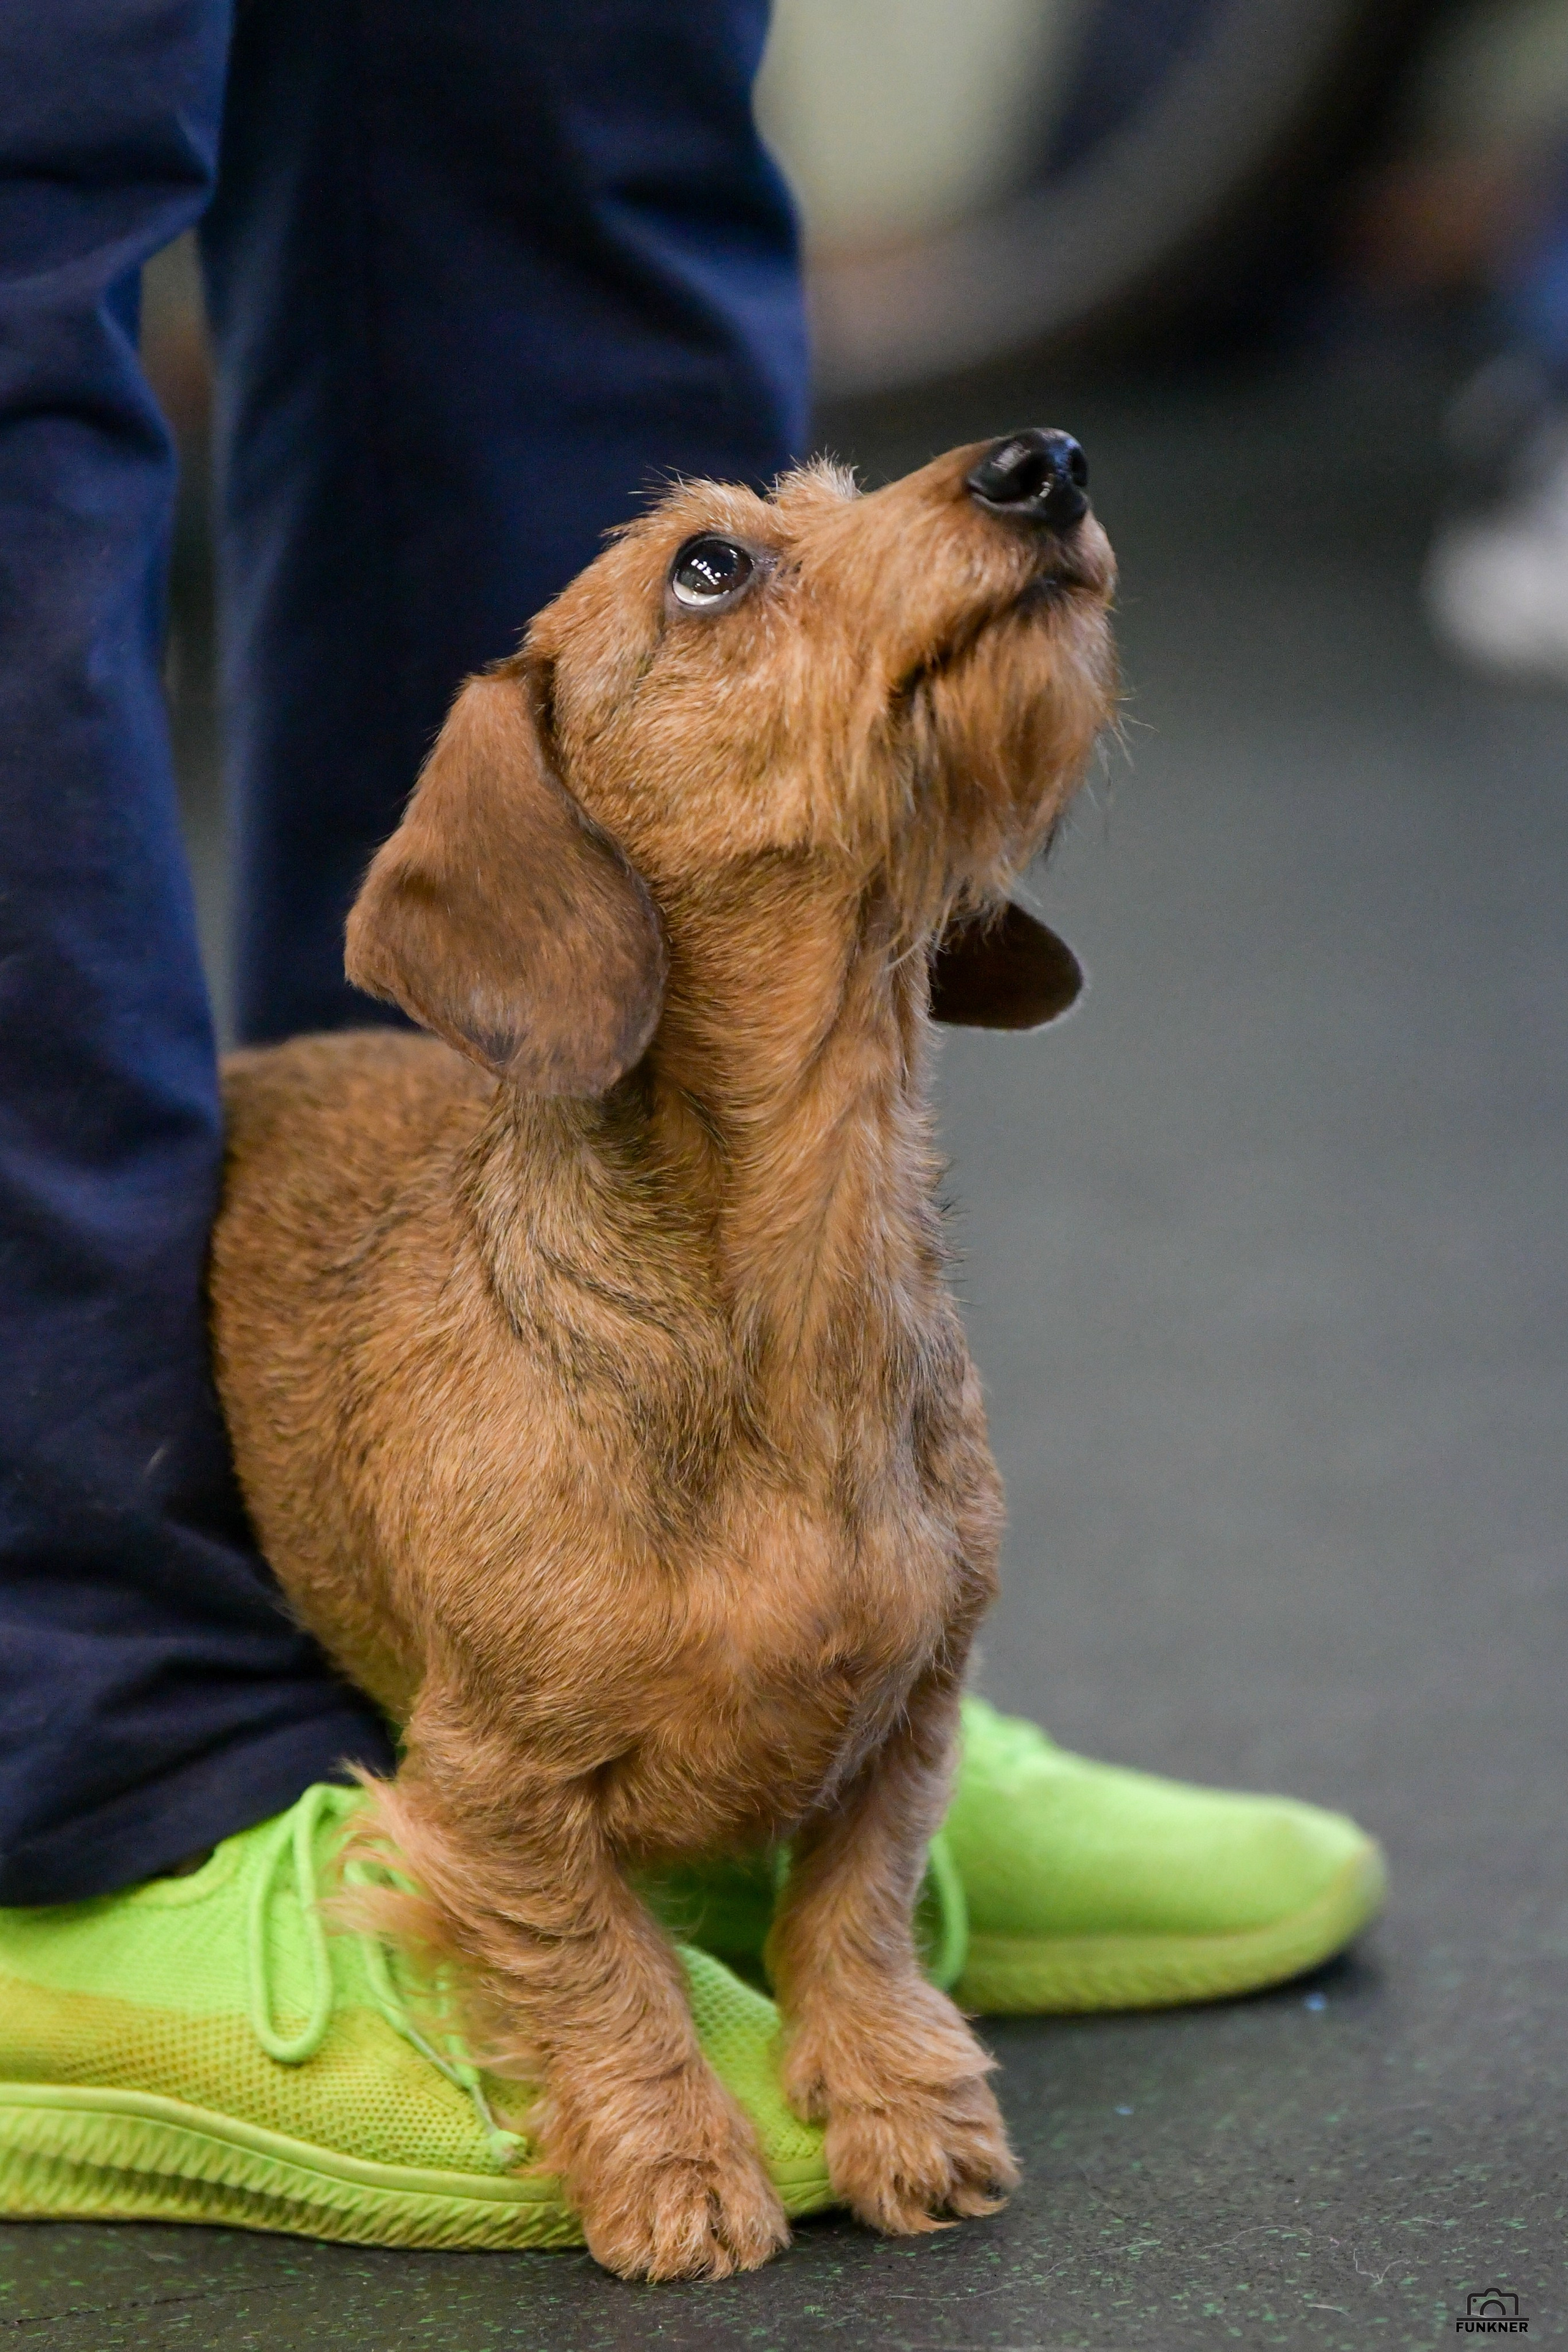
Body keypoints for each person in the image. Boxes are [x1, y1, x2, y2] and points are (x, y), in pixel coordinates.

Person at [0, 0, 1383, 2248]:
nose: (1001, 486)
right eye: (731, 576)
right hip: (495, 1409)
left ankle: (799, 1827)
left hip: (735, 1345)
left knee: (570, 107)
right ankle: (93, 1776)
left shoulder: (939, 1450)